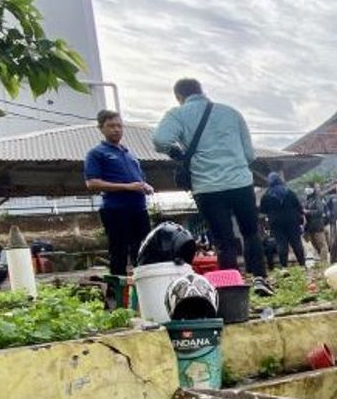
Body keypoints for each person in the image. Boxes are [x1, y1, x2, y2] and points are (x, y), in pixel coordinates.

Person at [153, 78, 272, 296]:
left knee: (223, 240)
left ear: (179, 97)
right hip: (239, 183)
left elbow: (161, 140)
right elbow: (249, 155)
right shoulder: (231, 113)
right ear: (201, 91)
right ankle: (259, 279)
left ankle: (232, 288)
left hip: (206, 187)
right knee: (251, 233)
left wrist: (178, 152)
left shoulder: (177, 115)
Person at [84, 110, 153, 276]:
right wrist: (127, 187)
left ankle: (142, 291)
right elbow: (92, 183)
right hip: (116, 210)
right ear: (101, 128)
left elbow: (139, 179)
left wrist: (146, 186)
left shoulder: (130, 154)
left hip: (139, 209)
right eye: (111, 126)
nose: (116, 129)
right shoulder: (96, 153)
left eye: (119, 126)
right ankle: (116, 296)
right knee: (119, 252)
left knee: (144, 251)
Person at [259, 172, 305, 268]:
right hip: (292, 221)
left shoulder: (266, 195)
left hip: (276, 223)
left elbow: (262, 210)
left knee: (281, 243)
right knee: (296, 242)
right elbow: (298, 206)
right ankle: (302, 264)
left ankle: (284, 266)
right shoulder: (289, 192)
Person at [303, 186, 330, 264]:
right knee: (314, 244)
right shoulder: (308, 200)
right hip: (310, 226)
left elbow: (320, 211)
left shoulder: (317, 199)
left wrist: (308, 212)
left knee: (322, 244)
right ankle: (320, 259)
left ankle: (324, 262)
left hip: (317, 225)